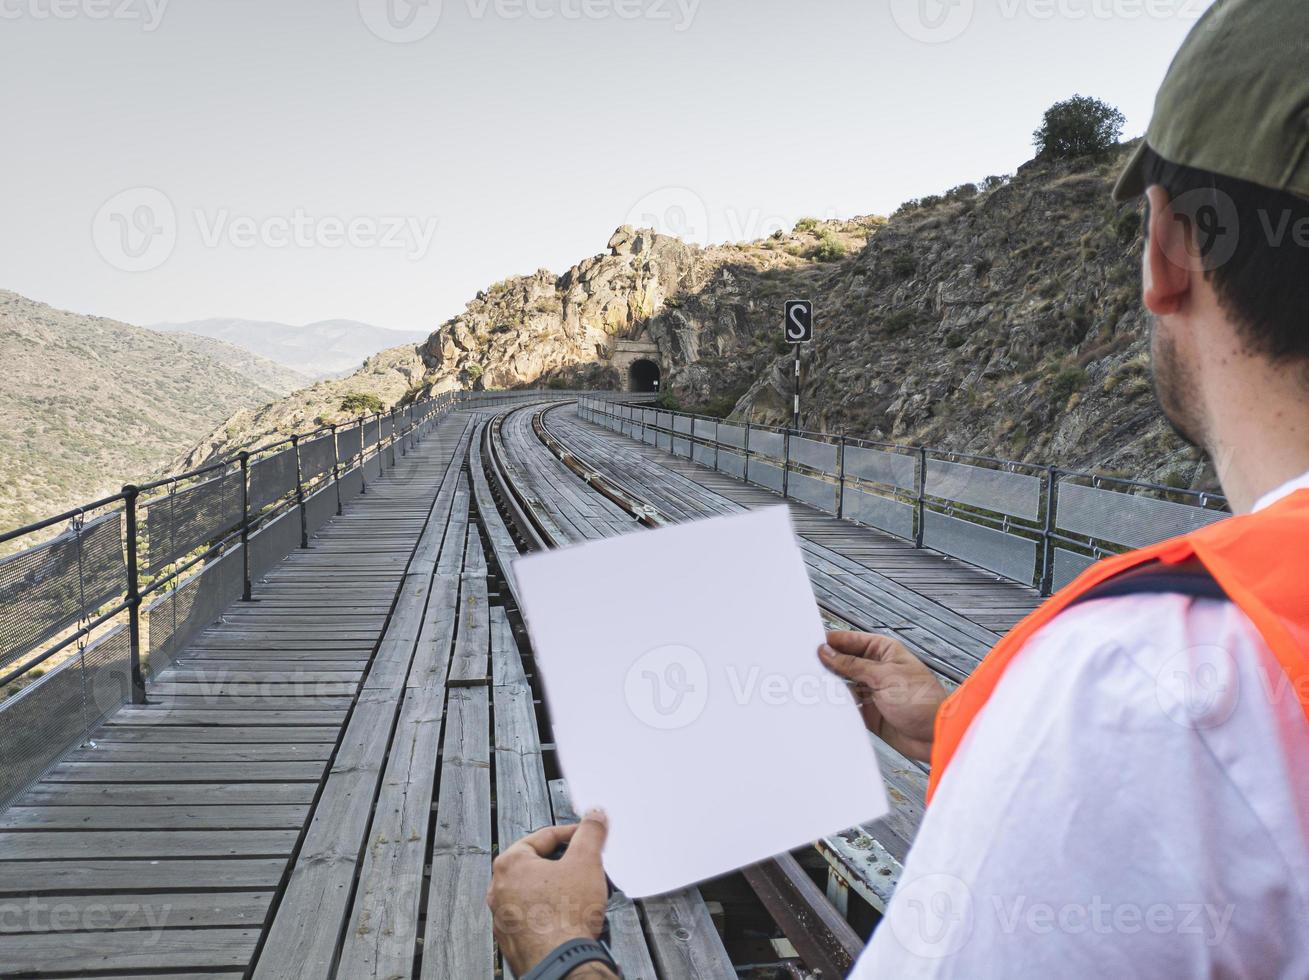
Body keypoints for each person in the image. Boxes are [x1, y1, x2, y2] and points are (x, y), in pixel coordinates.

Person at [487, 1, 1309, 975]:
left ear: (1167, 251)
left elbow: (1174, 773)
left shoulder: (1140, 679)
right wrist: (955, 721)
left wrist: (562, 952)